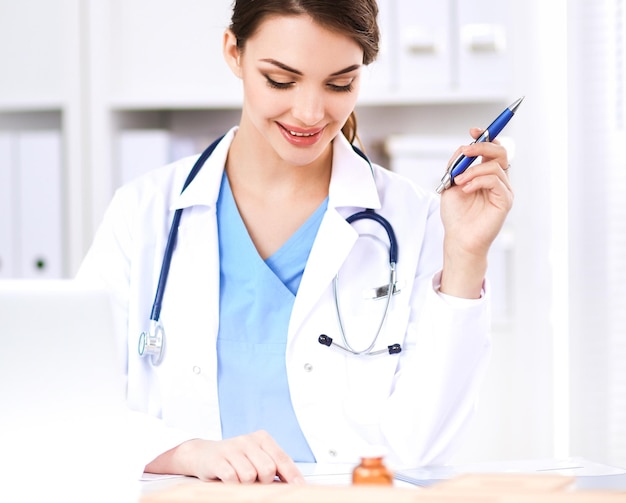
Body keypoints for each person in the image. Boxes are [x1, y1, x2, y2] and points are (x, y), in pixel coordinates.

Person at [77, 0, 513, 485]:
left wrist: (466, 258)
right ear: (233, 52)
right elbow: (69, 404)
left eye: (339, 83)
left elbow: (424, 448)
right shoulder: (143, 214)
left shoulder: (413, 220)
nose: (309, 112)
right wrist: (184, 452)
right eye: (281, 81)